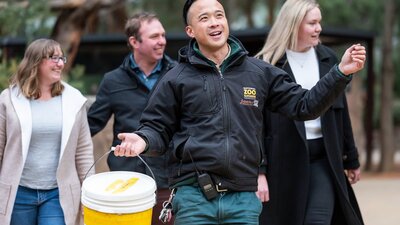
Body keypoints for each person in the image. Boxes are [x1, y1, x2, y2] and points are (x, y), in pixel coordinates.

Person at [113, 0, 366, 224]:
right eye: (204, 18)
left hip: (243, 199)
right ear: (190, 31)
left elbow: (304, 105)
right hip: (193, 198)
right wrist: (143, 139)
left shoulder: (258, 72)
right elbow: (158, 128)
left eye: (219, 15)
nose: (214, 23)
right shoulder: (175, 79)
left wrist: (339, 73)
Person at [255, 1, 365, 225]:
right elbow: (257, 124)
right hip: (282, 161)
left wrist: (351, 158)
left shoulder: (330, 60)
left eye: (319, 22)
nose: (319, 28)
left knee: (318, 220)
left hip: (322, 158)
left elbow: (340, 113)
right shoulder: (266, 65)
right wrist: (260, 171)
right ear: (293, 25)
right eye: (312, 23)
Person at [87, 12, 177, 225]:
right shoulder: (112, 81)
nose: (162, 41)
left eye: (163, 35)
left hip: (168, 180)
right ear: (134, 42)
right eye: (155, 36)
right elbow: (90, 125)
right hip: (126, 181)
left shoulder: (178, 74)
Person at [0, 38, 94, 225]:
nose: (60, 63)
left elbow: (83, 151)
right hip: (18, 192)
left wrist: (90, 192)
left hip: (57, 194)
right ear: (35, 61)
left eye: (62, 58)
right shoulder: (9, 99)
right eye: (53, 58)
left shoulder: (74, 100)